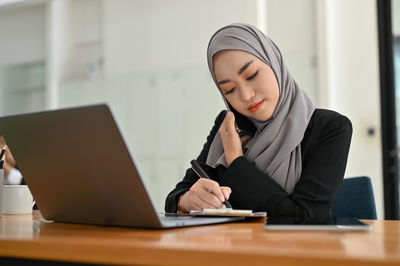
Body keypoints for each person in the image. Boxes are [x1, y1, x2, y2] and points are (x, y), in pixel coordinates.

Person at [165, 23, 352, 218]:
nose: (246, 96)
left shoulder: (330, 128)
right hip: (232, 246)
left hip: (299, 248)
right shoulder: (229, 126)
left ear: (274, 63)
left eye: (252, 75)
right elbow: (176, 196)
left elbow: (305, 217)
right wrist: (186, 200)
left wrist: (236, 160)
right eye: (229, 90)